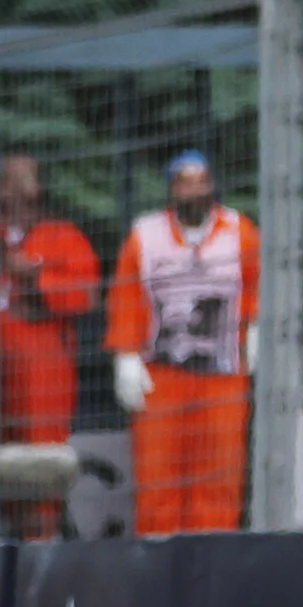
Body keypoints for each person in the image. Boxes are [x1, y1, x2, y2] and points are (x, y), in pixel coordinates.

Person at [105, 150, 259, 535]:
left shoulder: (240, 230)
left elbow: (256, 285)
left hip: (222, 375)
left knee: (220, 474)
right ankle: (158, 560)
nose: (194, 189)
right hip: (162, 377)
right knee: (157, 477)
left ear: (212, 185)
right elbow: (125, 297)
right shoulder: (145, 235)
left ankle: (214, 554)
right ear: (171, 189)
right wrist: (125, 355)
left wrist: (256, 330)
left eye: (201, 181)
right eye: (184, 182)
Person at [0, 154, 103, 448]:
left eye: (25, 178)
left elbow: (87, 295)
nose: (17, 188)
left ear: (39, 187)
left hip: (42, 361)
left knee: (40, 448)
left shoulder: (62, 236)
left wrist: (36, 280)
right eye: (9, 179)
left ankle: (45, 496)